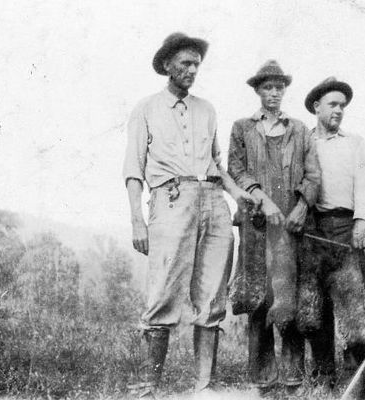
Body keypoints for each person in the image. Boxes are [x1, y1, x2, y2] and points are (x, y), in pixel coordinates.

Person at [122, 32, 256, 396]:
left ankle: (204, 387)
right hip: (171, 199)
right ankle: (151, 384)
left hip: (213, 201)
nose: (192, 70)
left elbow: (216, 163)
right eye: (185, 63)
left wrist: (238, 194)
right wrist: (137, 219)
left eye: (197, 64)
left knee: (213, 293)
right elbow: (134, 170)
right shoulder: (146, 108)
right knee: (163, 291)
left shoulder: (207, 109)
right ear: (167, 65)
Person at [227, 60, 321, 391]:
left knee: (289, 298)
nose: (274, 93)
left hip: (292, 228)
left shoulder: (299, 130)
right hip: (256, 226)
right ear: (258, 91)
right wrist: (259, 198)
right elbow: (236, 169)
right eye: (268, 87)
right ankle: (262, 379)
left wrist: (302, 206)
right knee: (259, 298)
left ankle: (294, 378)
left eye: (279, 87)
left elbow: (313, 175)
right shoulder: (242, 128)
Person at [297, 77, 365, 395]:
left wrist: (360, 221)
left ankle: (361, 378)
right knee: (314, 309)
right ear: (316, 107)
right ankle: (324, 379)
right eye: (333, 104)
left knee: (354, 306)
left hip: (347, 230)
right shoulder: (304, 142)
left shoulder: (354, 143)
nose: (339, 110)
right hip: (313, 230)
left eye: (342, 105)